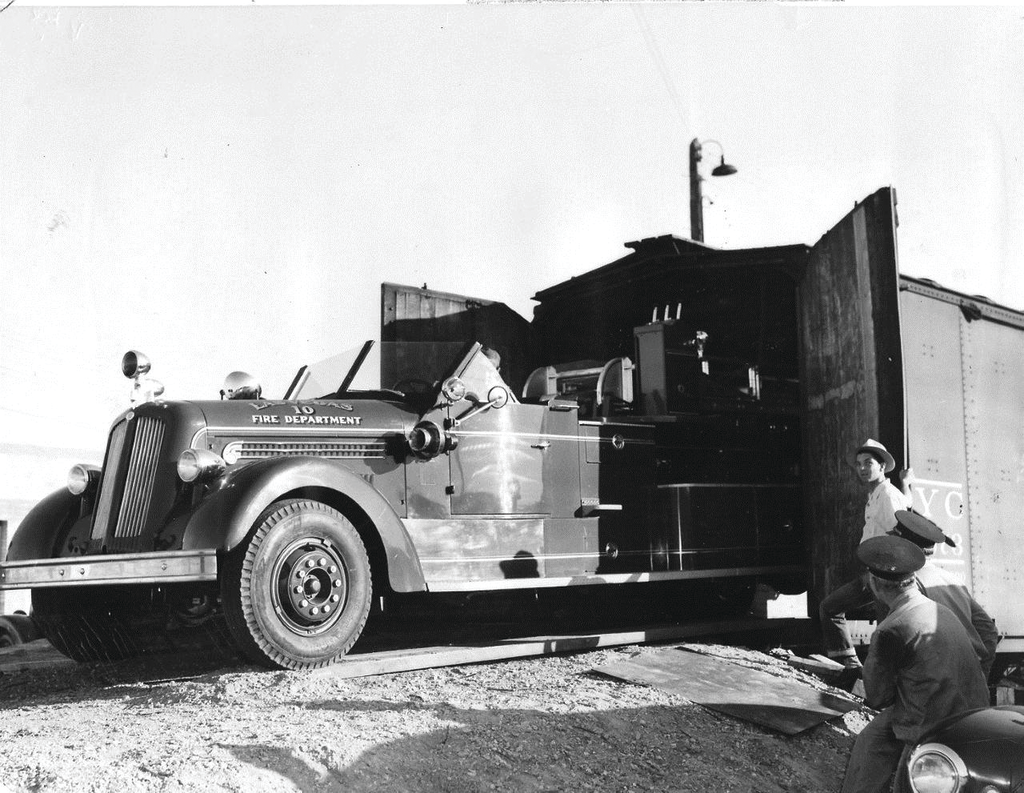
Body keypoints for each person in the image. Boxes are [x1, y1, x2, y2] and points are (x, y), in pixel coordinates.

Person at [841, 535, 990, 793]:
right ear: (911, 579)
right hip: (973, 715)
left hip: (933, 727)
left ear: (875, 583)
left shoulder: (891, 630)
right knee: (875, 735)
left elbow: (877, 698)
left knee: (876, 744)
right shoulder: (938, 609)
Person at [819, 439, 913, 674]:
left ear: (881, 467)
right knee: (829, 608)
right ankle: (851, 665)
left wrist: (886, 575)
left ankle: (882, 689)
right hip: (871, 574)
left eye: (868, 463)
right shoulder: (877, 495)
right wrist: (907, 485)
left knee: (884, 635)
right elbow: (906, 505)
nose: (862, 468)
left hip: (884, 576)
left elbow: (901, 533)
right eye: (859, 464)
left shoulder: (887, 496)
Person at [891, 509, 999, 679]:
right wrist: (981, 674)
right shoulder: (953, 581)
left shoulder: (906, 583)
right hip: (969, 683)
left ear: (903, 544)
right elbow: (988, 630)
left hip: (933, 688)